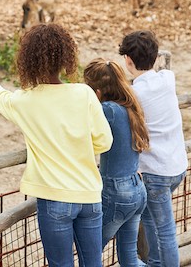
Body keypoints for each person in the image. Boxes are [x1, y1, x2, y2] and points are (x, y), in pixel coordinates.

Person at [0, 23, 113, 267]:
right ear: (65, 58)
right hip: (89, 195)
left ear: (28, 60)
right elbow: (104, 141)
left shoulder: (25, 101)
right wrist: (76, 145)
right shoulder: (84, 93)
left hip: (54, 199)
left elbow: (2, 98)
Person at [119, 30, 188, 267]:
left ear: (128, 60)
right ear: (157, 57)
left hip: (155, 173)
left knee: (165, 231)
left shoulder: (134, 95)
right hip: (177, 165)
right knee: (151, 221)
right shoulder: (168, 78)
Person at [83, 58, 149, 267]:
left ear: (98, 92)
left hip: (116, 193)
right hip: (137, 189)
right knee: (129, 260)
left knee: (90, 255)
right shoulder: (129, 105)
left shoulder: (108, 110)